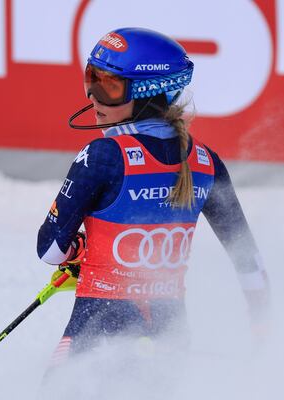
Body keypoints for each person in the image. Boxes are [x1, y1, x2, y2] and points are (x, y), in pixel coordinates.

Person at [37, 27, 270, 372]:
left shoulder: (102, 156)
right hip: (170, 337)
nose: (94, 97)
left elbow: (49, 250)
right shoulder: (206, 162)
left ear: (146, 92)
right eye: (91, 79)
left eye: (109, 87)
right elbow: (248, 258)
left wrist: (79, 252)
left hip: (96, 334)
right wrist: (263, 327)